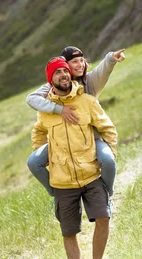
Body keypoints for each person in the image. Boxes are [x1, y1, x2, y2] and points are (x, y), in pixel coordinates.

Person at [31, 57, 117, 259]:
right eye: (58, 73)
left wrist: (110, 155)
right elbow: (39, 132)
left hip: (90, 174)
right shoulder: (46, 110)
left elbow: (108, 129)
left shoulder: (87, 101)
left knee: (104, 218)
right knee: (69, 232)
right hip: (62, 181)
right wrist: (45, 154)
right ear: (51, 80)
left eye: (65, 71)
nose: (64, 75)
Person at [26, 46, 125, 197]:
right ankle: (55, 195)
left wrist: (111, 58)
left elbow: (103, 71)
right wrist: (58, 109)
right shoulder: (55, 84)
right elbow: (31, 99)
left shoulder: (89, 82)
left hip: (90, 140)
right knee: (34, 162)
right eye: (74, 62)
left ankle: (107, 194)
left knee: (108, 160)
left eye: (82, 61)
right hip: (63, 141)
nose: (80, 64)